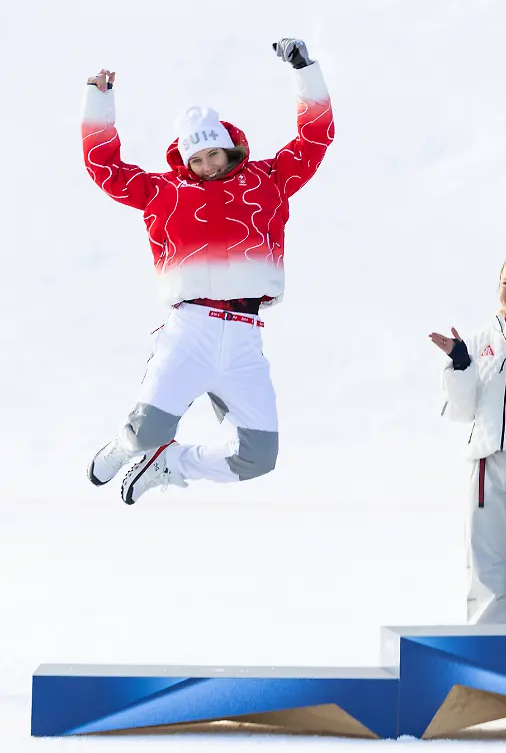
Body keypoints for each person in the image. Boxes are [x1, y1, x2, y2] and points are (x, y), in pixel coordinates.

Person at [82, 38, 334, 505]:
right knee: (145, 430)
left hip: (245, 338)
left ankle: (172, 463)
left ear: (229, 148)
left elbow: (314, 139)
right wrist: (99, 101)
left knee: (259, 457)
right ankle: (127, 448)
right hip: (191, 331)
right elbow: (107, 170)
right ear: (184, 160)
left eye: (213, 155)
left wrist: (306, 70)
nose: (206, 166)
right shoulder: (165, 192)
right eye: (195, 160)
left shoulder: (269, 181)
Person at [430, 251, 506, 623]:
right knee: (485, 573)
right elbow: (461, 410)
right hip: (487, 465)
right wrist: (462, 364)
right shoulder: (481, 341)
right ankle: (486, 671)